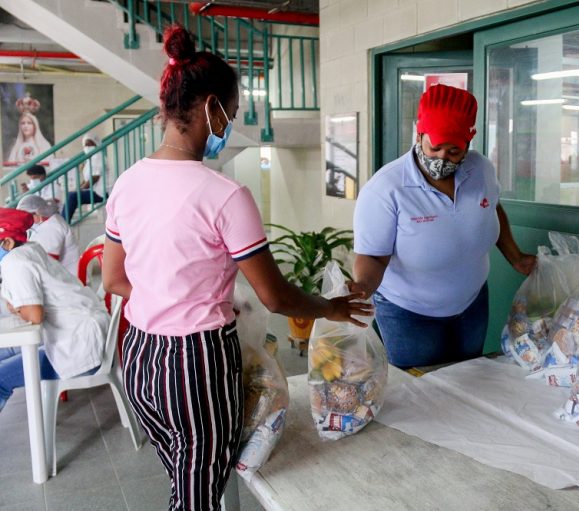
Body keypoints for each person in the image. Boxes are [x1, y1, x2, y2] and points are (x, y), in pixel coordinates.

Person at [101, 25, 371, 511]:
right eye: (233, 112)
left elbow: (115, 279)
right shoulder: (225, 195)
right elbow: (274, 296)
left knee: (184, 478)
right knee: (199, 495)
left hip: (138, 355)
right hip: (195, 365)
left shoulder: (127, 182)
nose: (232, 122)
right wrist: (329, 307)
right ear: (211, 107)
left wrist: (166, 292)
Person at [351, 84, 537, 368]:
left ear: (468, 142)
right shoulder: (387, 188)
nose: (441, 158)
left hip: (472, 303)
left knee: (466, 380)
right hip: (409, 313)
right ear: (419, 134)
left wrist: (516, 257)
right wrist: (363, 287)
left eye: (453, 151)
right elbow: (374, 256)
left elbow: (492, 207)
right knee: (422, 393)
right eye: (434, 147)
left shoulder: (480, 169)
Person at [0, 208, 107, 413]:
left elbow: (35, 315)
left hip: (76, 348)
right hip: (84, 336)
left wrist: (19, 308)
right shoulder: (30, 249)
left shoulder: (15, 262)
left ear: (8, 243)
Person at [16, 194, 79, 276]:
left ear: (37, 213)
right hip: (61, 276)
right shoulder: (44, 224)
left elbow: (47, 263)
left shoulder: (52, 227)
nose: (24, 221)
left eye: (26, 216)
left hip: (69, 280)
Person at [63, 133, 107, 222]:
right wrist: (78, 188)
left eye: (90, 144)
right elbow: (87, 180)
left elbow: (94, 178)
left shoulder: (97, 156)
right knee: (72, 194)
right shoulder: (90, 158)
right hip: (95, 191)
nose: (87, 147)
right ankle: (62, 221)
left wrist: (80, 189)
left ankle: (63, 222)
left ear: (96, 144)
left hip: (102, 193)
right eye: (85, 145)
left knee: (73, 196)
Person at [6, 99, 53, 165]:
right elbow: (10, 166)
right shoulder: (16, 147)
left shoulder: (44, 145)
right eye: (23, 123)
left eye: (29, 123)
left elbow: (50, 164)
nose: (26, 126)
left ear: (35, 125)